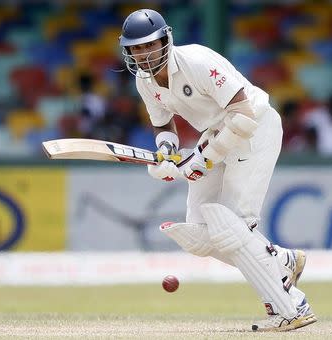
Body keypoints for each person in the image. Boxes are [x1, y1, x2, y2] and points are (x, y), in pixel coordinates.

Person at [119, 9, 316, 332]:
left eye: (148, 46)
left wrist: (204, 158)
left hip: (254, 131)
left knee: (232, 226)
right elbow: (163, 124)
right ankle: (282, 261)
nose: (142, 54)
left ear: (165, 41)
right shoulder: (144, 81)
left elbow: (244, 115)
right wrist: (167, 153)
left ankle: (292, 306)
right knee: (200, 235)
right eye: (135, 48)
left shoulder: (198, 62)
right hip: (213, 136)